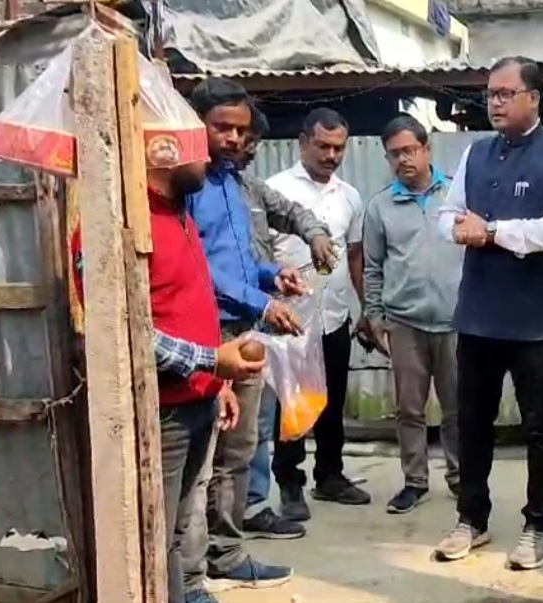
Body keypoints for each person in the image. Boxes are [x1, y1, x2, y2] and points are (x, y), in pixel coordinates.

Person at [70, 134, 262, 603]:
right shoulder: (112, 228)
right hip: (162, 411)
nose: (207, 156)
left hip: (197, 401)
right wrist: (212, 360)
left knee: (174, 532)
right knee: (152, 538)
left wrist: (217, 383)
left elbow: (189, 307)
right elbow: (125, 331)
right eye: (196, 146)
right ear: (161, 151)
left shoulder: (179, 216)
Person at [432, 55, 543, 570]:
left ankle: (540, 527)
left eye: (505, 93)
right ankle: (471, 519)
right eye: (490, 94)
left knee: (540, 429)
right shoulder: (476, 153)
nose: (494, 103)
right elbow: (446, 215)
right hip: (476, 316)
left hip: (532, 323)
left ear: (533, 98)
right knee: (472, 425)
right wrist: (461, 229)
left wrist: (494, 231)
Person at [182, 77, 297, 597]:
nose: (232, 138)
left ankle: (226, 554)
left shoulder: (234, 182)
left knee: (240, 450)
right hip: (205, 334)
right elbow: (198, 268)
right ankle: (188, 574)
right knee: (199, 461)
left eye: (240, 130)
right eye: (221, 127)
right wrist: (263, 301)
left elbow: (239, 260)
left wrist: (272, 277)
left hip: (245, 329)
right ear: (197, 124)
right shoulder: (187, 185)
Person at [265, 107, 372, 521]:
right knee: (292, 404)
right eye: (323, 146)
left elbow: (356, 256)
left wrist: (365, 308)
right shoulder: (276, 190)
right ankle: (290, 483)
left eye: (339, 148)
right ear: (303, 142)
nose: (331, 155)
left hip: (334, 316)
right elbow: (263, 253)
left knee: (332, 400)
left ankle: (330, 475)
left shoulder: (350, 196)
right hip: (290, 319)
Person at [362, 114, 462, 514]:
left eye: (410, 150)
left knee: (458, 406)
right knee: (409, 408)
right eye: (394, 154)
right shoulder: (380, 207)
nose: (403, 159)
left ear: (427, 149)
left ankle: (461, 476)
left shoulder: (456, 196)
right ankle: (414, 481)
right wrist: (375, 317)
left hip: (456, 321)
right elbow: (372, 268)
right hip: (405, 322)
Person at [238, 106, 330, 540]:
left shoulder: (249, 188)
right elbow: (213, 266)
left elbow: (294, 214)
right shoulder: (196, 189)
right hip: (223, 319)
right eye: (232, 133)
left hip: (257, 319)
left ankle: (252, 505)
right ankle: (223, 520)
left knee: (255, 423)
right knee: (224, 428)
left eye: (251, 140)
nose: (243, 146)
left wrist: (315, 236)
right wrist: (265, 293)